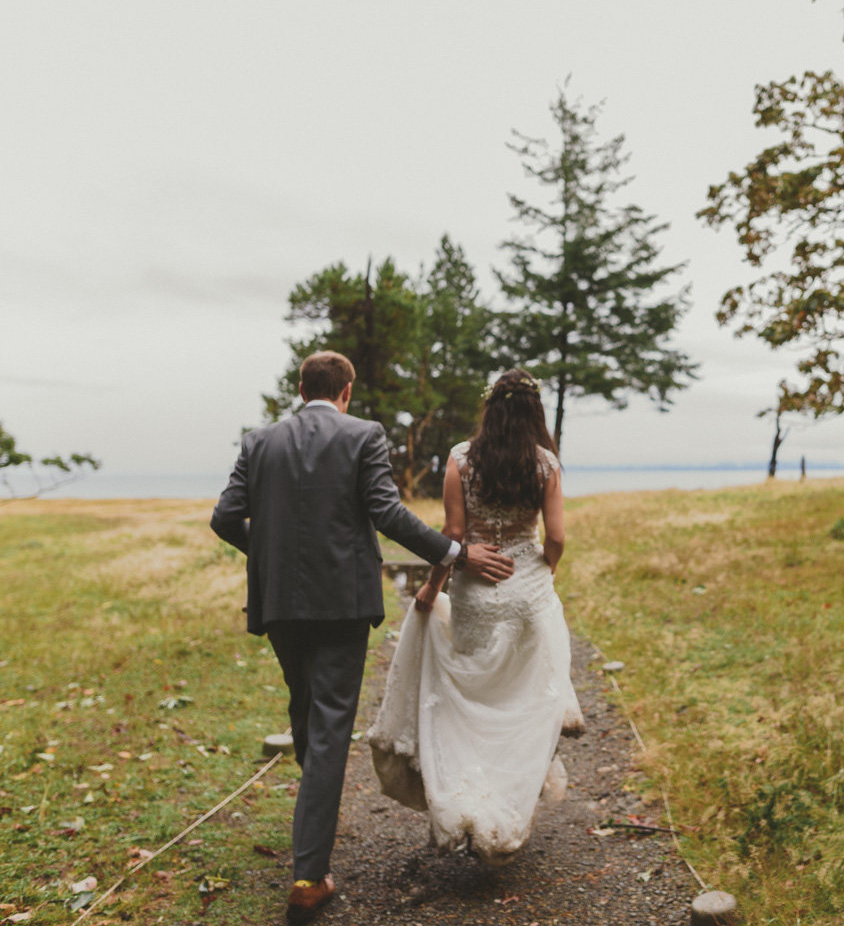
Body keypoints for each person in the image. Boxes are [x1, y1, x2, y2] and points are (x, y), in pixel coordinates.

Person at [210, 351, 515, 924]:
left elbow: (225, 518)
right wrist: (456, 553)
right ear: (345, 391)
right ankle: (307, 875)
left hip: (280, 605)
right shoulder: (363, 435)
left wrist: (274, 560)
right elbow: (385, 511)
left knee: (306, 710)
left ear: (303, 389)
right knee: (326, 723)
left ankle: (311, 825)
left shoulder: (258, 442)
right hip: (339, 605)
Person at [368, 368, 585, 865]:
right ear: (535, 411)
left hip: (475, 597)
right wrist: (540, 573)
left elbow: (453, 533)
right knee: (521, 706)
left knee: (469, 701)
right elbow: (556, 538)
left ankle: (464, 802)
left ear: (490, 408)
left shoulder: (461, 460)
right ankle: (511, 805)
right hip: (527, 598)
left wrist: (431, 586)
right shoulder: (547, 463)